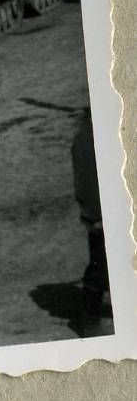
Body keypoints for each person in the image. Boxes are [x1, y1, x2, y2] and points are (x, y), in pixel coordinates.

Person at [71, 109, 112, 333]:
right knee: (100, 268)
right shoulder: (88, 138)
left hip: (118, 210)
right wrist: (96, 216)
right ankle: (91, 320)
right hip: (103, 216)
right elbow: (86, 181)